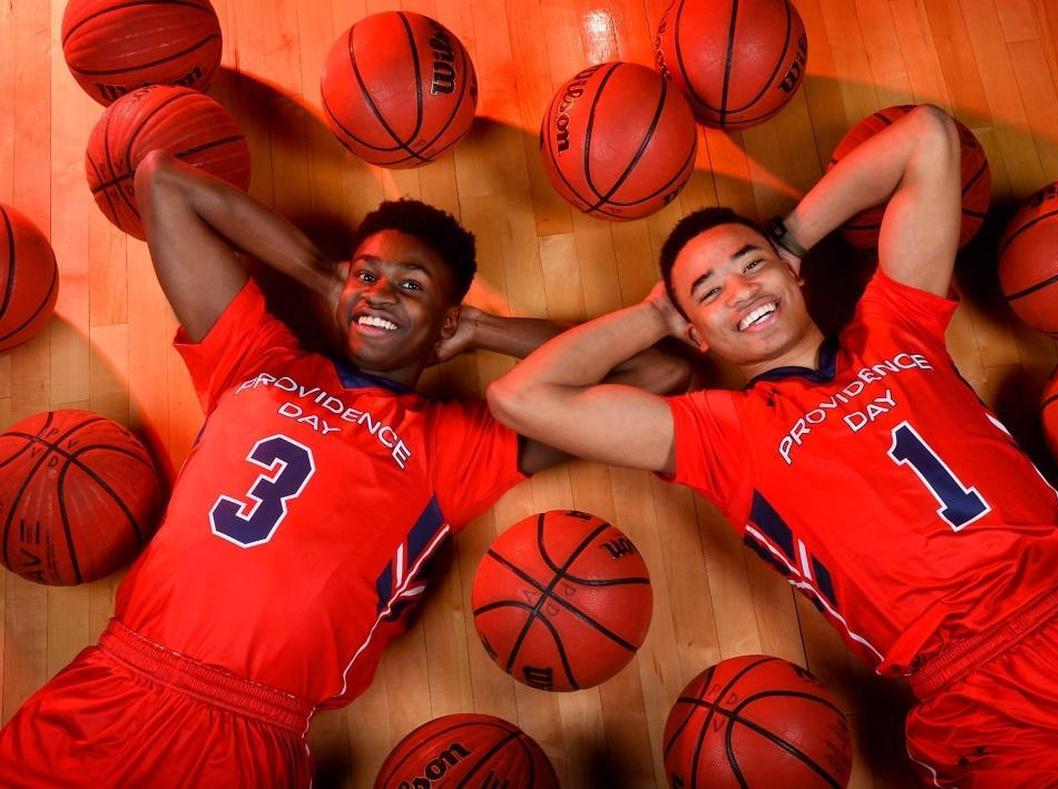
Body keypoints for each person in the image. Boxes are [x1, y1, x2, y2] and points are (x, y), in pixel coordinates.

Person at [487, 104, 1058, 786]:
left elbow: (928, 137)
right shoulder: (723, 435)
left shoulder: (896, 326)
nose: (741, 291)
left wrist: (792, 235)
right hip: (995, 699)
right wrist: (655, 314)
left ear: (793, 275)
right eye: (708, 293)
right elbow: (520, 397)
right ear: (697, 332)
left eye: (752, 265)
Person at [0, 150, 688, 787]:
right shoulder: (256, 359)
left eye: (410, 286)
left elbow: (658, 368)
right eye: (368, 274)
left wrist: (482, 330)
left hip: (247, 731)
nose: (380, 293)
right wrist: (321, 273)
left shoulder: (455, 444)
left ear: (444, 320)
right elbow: (162, 181)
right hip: (108, 684)